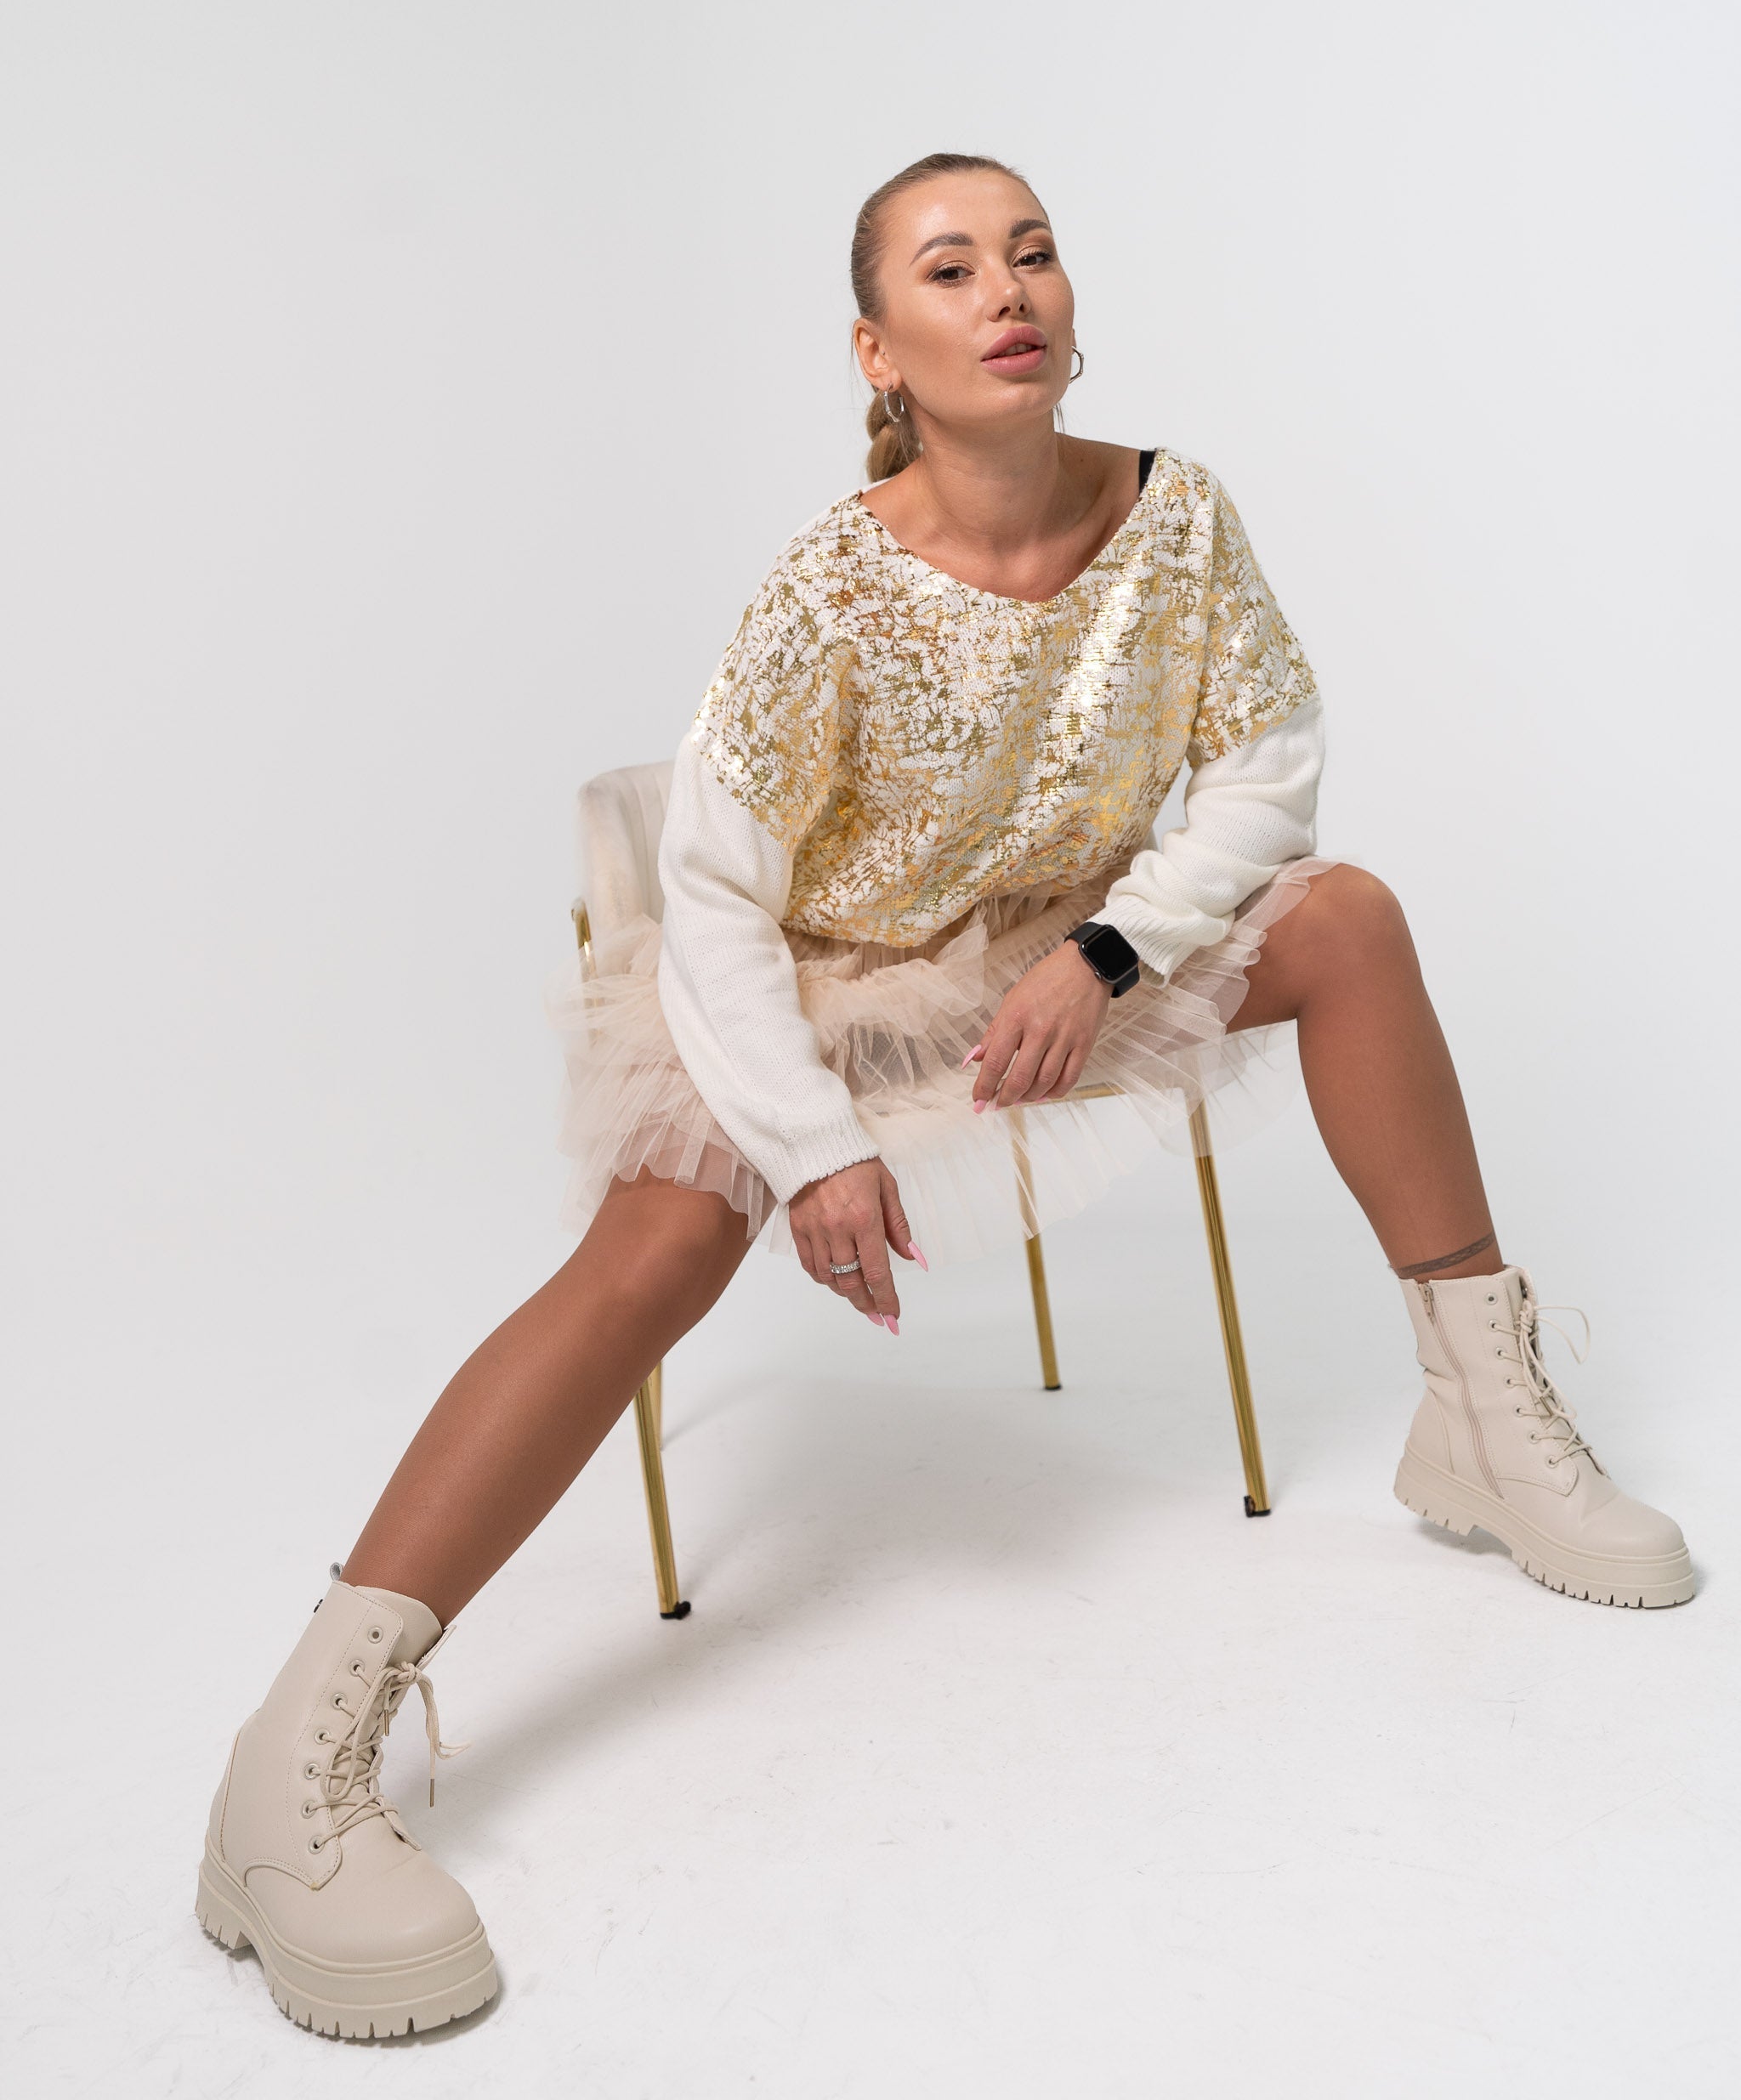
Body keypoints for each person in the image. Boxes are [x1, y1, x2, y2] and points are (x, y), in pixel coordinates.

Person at [195, 150, 1694, 2040]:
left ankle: (1482, 1413)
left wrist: (1111, 954)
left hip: (1057, 946)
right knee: (653, 1255)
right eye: (952, 266)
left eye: (1033, 253)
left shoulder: (1176, 515)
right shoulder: (830, 585)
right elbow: (714, 898)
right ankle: (289, 1770)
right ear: (877, 350)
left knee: (1352, 921)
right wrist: (812, 1143)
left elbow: (1268, 768)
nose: (1009, 290)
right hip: (811, 981)